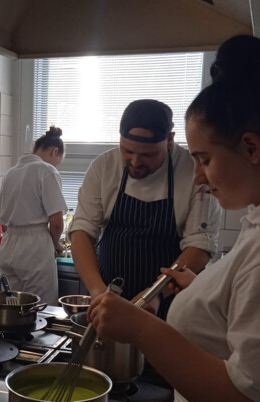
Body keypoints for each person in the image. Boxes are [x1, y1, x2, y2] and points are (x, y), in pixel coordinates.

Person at [89, 35, 260, 402]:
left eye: (204, 160)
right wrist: (208, 292)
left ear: (252, 149)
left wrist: (141, 328)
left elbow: (255, 397)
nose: (198, 177)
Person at [69, 99, 221, 318]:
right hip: (107, 295)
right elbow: (82, 231)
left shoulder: (193, 171)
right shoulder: (104, 166)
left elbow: (200, 245)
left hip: (167, 302)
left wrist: (154, 295)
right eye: (127, 151)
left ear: (169, 140)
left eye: (147, 155)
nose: (135, 161)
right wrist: (97, 291)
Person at [0, 125, 68, 305]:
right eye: (58, 161)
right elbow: (57, 223)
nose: (56, 165)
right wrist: (55, 243)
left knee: (10, 306)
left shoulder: (10, 173)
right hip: (35, 249)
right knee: (40, 307)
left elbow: (4, 225)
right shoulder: (47, 170)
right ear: (54, 151)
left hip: (8, 246)